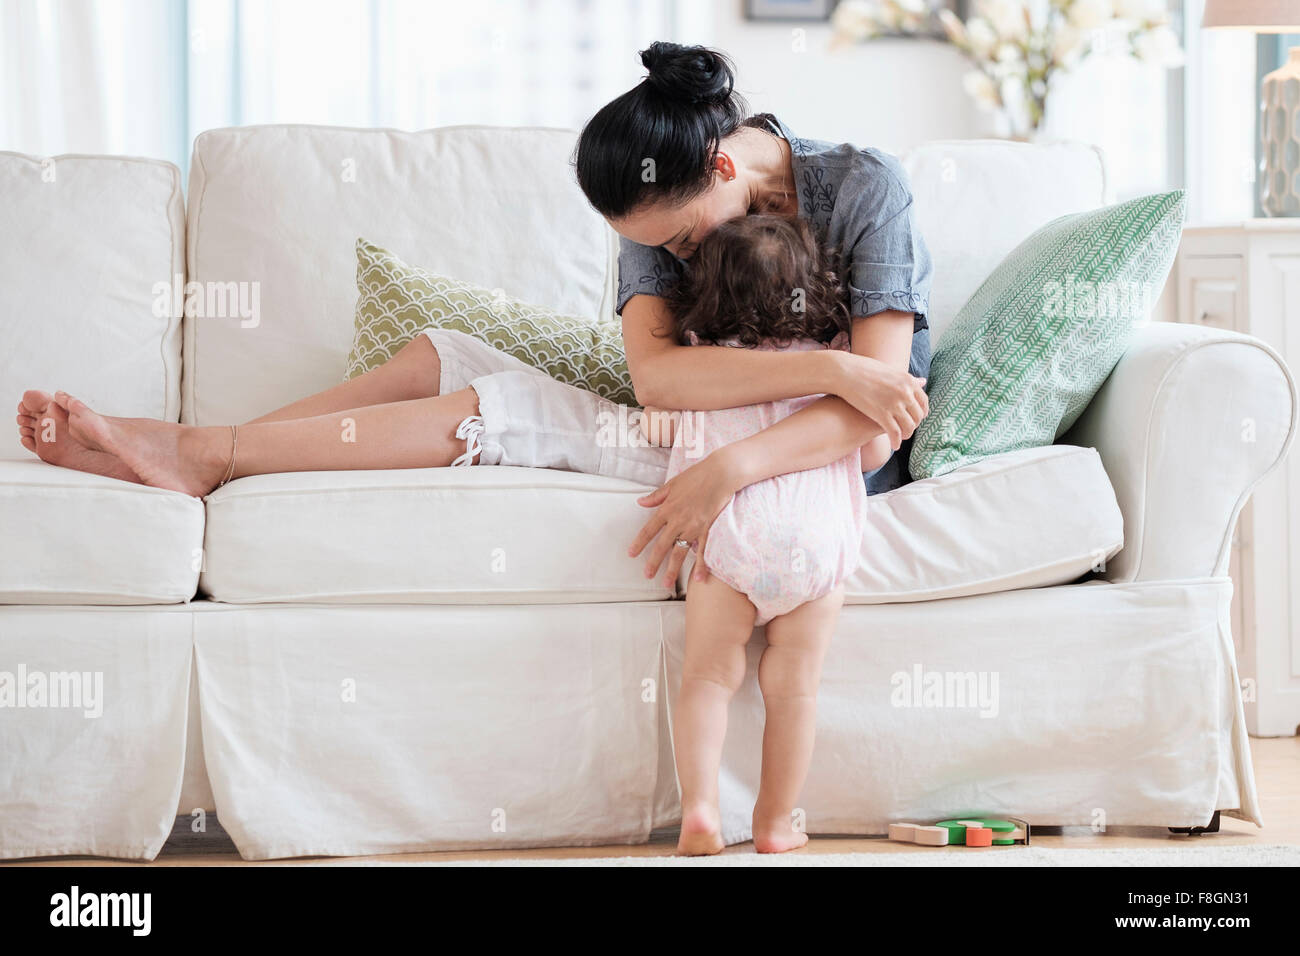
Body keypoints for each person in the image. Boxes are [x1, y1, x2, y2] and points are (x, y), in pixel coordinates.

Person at [15, 40, 930, 592]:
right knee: (440, 354)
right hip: (693, 413)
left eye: (683, 243)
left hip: (789, 459)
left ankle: (203, 456)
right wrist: (829, 362)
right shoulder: (661, 206)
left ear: (724, 169)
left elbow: (873, 416)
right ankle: (208, 448)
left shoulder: (861, 188)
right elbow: (658, 375)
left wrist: (739, 460)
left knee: (494, 410)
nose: (676, 258)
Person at [641, 214, 869, 854]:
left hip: (731, 542)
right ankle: (774, 822)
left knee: (708, 678)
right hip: (814, 542)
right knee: (795, 688)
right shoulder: (837, 366)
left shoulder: (699, 366)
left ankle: (702, 814)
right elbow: (874, 451)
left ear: (705, 299)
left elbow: (658, 423)